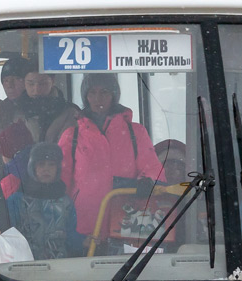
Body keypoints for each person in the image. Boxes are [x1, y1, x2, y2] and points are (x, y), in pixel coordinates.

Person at [58, 73, 164, 237]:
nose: (97, 98)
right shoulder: (72, 136)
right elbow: (61, 183)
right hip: (83, 227)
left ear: (114, 95)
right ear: (86, 96)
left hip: (127, 222)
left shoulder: (135, 132)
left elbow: (152, 167)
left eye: (104, 92)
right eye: (92, 92)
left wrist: (147, 182)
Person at [0, 143, 82, 260]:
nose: (46, 169)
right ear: (32, 167)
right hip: (25, 263)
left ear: (58, 169)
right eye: (41, 164)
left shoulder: (66, 202)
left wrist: (84, 240)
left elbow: (71, 235)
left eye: (51, 165)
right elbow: (7, 232)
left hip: (60, 265)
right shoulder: (16, 200)